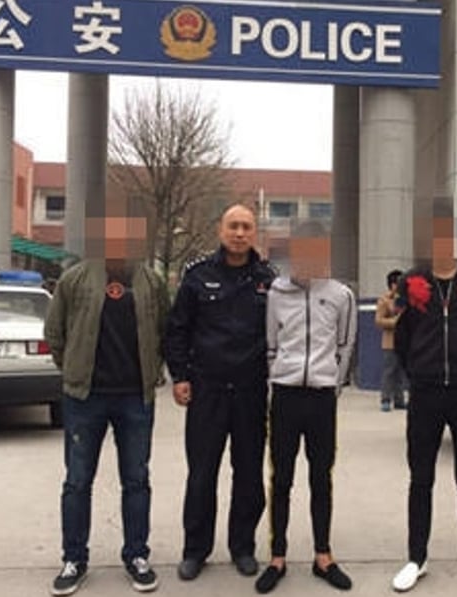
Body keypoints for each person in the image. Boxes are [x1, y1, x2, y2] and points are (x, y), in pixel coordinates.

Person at [44, 210, 171, 596]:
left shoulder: (151, 281)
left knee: (136, 480)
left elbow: (165, 330)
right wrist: (74, 371)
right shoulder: (76, 278)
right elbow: (55, 332)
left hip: (136, 398)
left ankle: (136, 555)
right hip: (86, 398)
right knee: (78, 481)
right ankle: (74, 558)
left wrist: (154, 372)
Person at [164, 204, 277, 583]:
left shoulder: (268, 279)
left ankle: (242, 547)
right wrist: (180, 376)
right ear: (220, 230)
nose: (240, 233)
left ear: (254, 232)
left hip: (249, 392)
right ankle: (195, 550)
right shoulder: (198, 276)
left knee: (247, 473)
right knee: (202, 474)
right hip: (207, 391)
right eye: (233, 226)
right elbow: (177, 330)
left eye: (246, 226)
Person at [390, 215, 457, 595]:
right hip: (425, 393)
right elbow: (402, 335)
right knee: (421, 478)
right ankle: (415, 558)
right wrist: (419, 370)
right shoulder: (412, 282)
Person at [254, 220, 358, 594]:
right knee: (281, 478)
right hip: (284, 396)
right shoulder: (276, 294)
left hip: (321, 398)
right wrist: (278, 378)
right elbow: (270, 345)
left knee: (321, 477)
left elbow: (345, 346)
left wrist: (331, 385)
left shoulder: (341, 295)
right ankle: (277, 556)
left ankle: (322, 556)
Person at [375, 268, 408, 411]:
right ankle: (385, 399)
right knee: (389, 372)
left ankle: (399, 400)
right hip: (390, 342)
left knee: (401, 372)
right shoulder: (384, 300)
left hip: (404, 341)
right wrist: (395, 321)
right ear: (393, 284)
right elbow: (378, 320)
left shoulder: (406, 300)